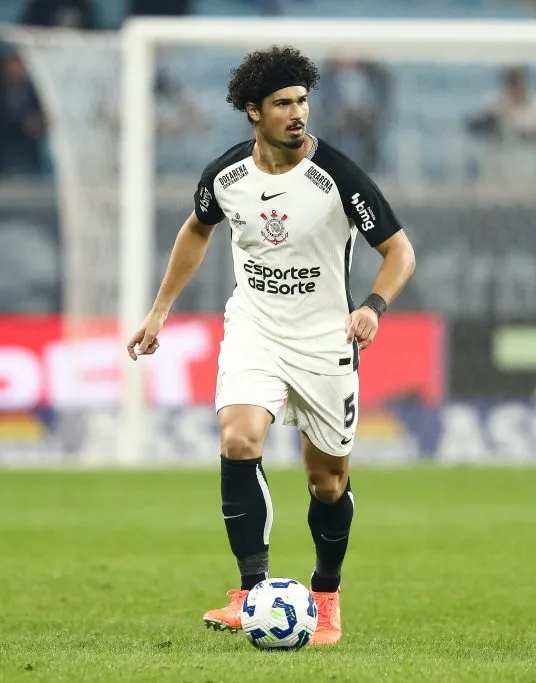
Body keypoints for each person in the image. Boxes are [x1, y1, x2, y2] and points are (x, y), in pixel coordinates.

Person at [125, 45, 416, 645]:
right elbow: (196, 230)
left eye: (303, 101)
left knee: (327, 482)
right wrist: (158, 312)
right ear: (253, 112)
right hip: (254, 328)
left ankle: (327, 596)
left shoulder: (338, 177)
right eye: (283, 103)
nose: (297, 113)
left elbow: (400, 252)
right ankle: (250, 591)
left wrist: (372, 307)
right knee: (238, 438)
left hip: (324, 340)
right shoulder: (226, 176)